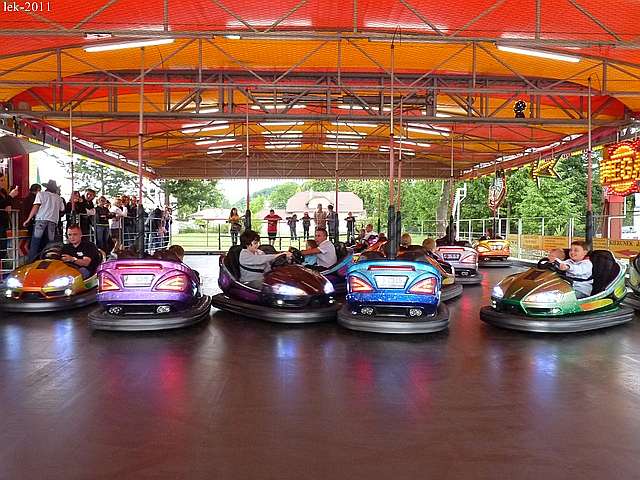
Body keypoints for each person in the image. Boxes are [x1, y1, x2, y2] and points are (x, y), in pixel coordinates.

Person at [24, 179, 65, 263]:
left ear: (47, 187)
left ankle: (31, 262)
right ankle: (49, 262)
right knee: (50, 244)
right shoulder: (59, 198)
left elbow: (36, 207)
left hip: (41, 219)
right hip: (53, 221)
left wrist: (28, 219)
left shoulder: (41, 194)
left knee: (35, 242)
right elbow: (62, 209)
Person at [0, 186, 19, 259]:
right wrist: (10, 196)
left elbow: (6, 203)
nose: (2, 183)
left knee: (3, 243)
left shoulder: (3, 191)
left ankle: (3, 260)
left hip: (4, 221)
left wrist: (9, 204)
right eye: (1, 181)